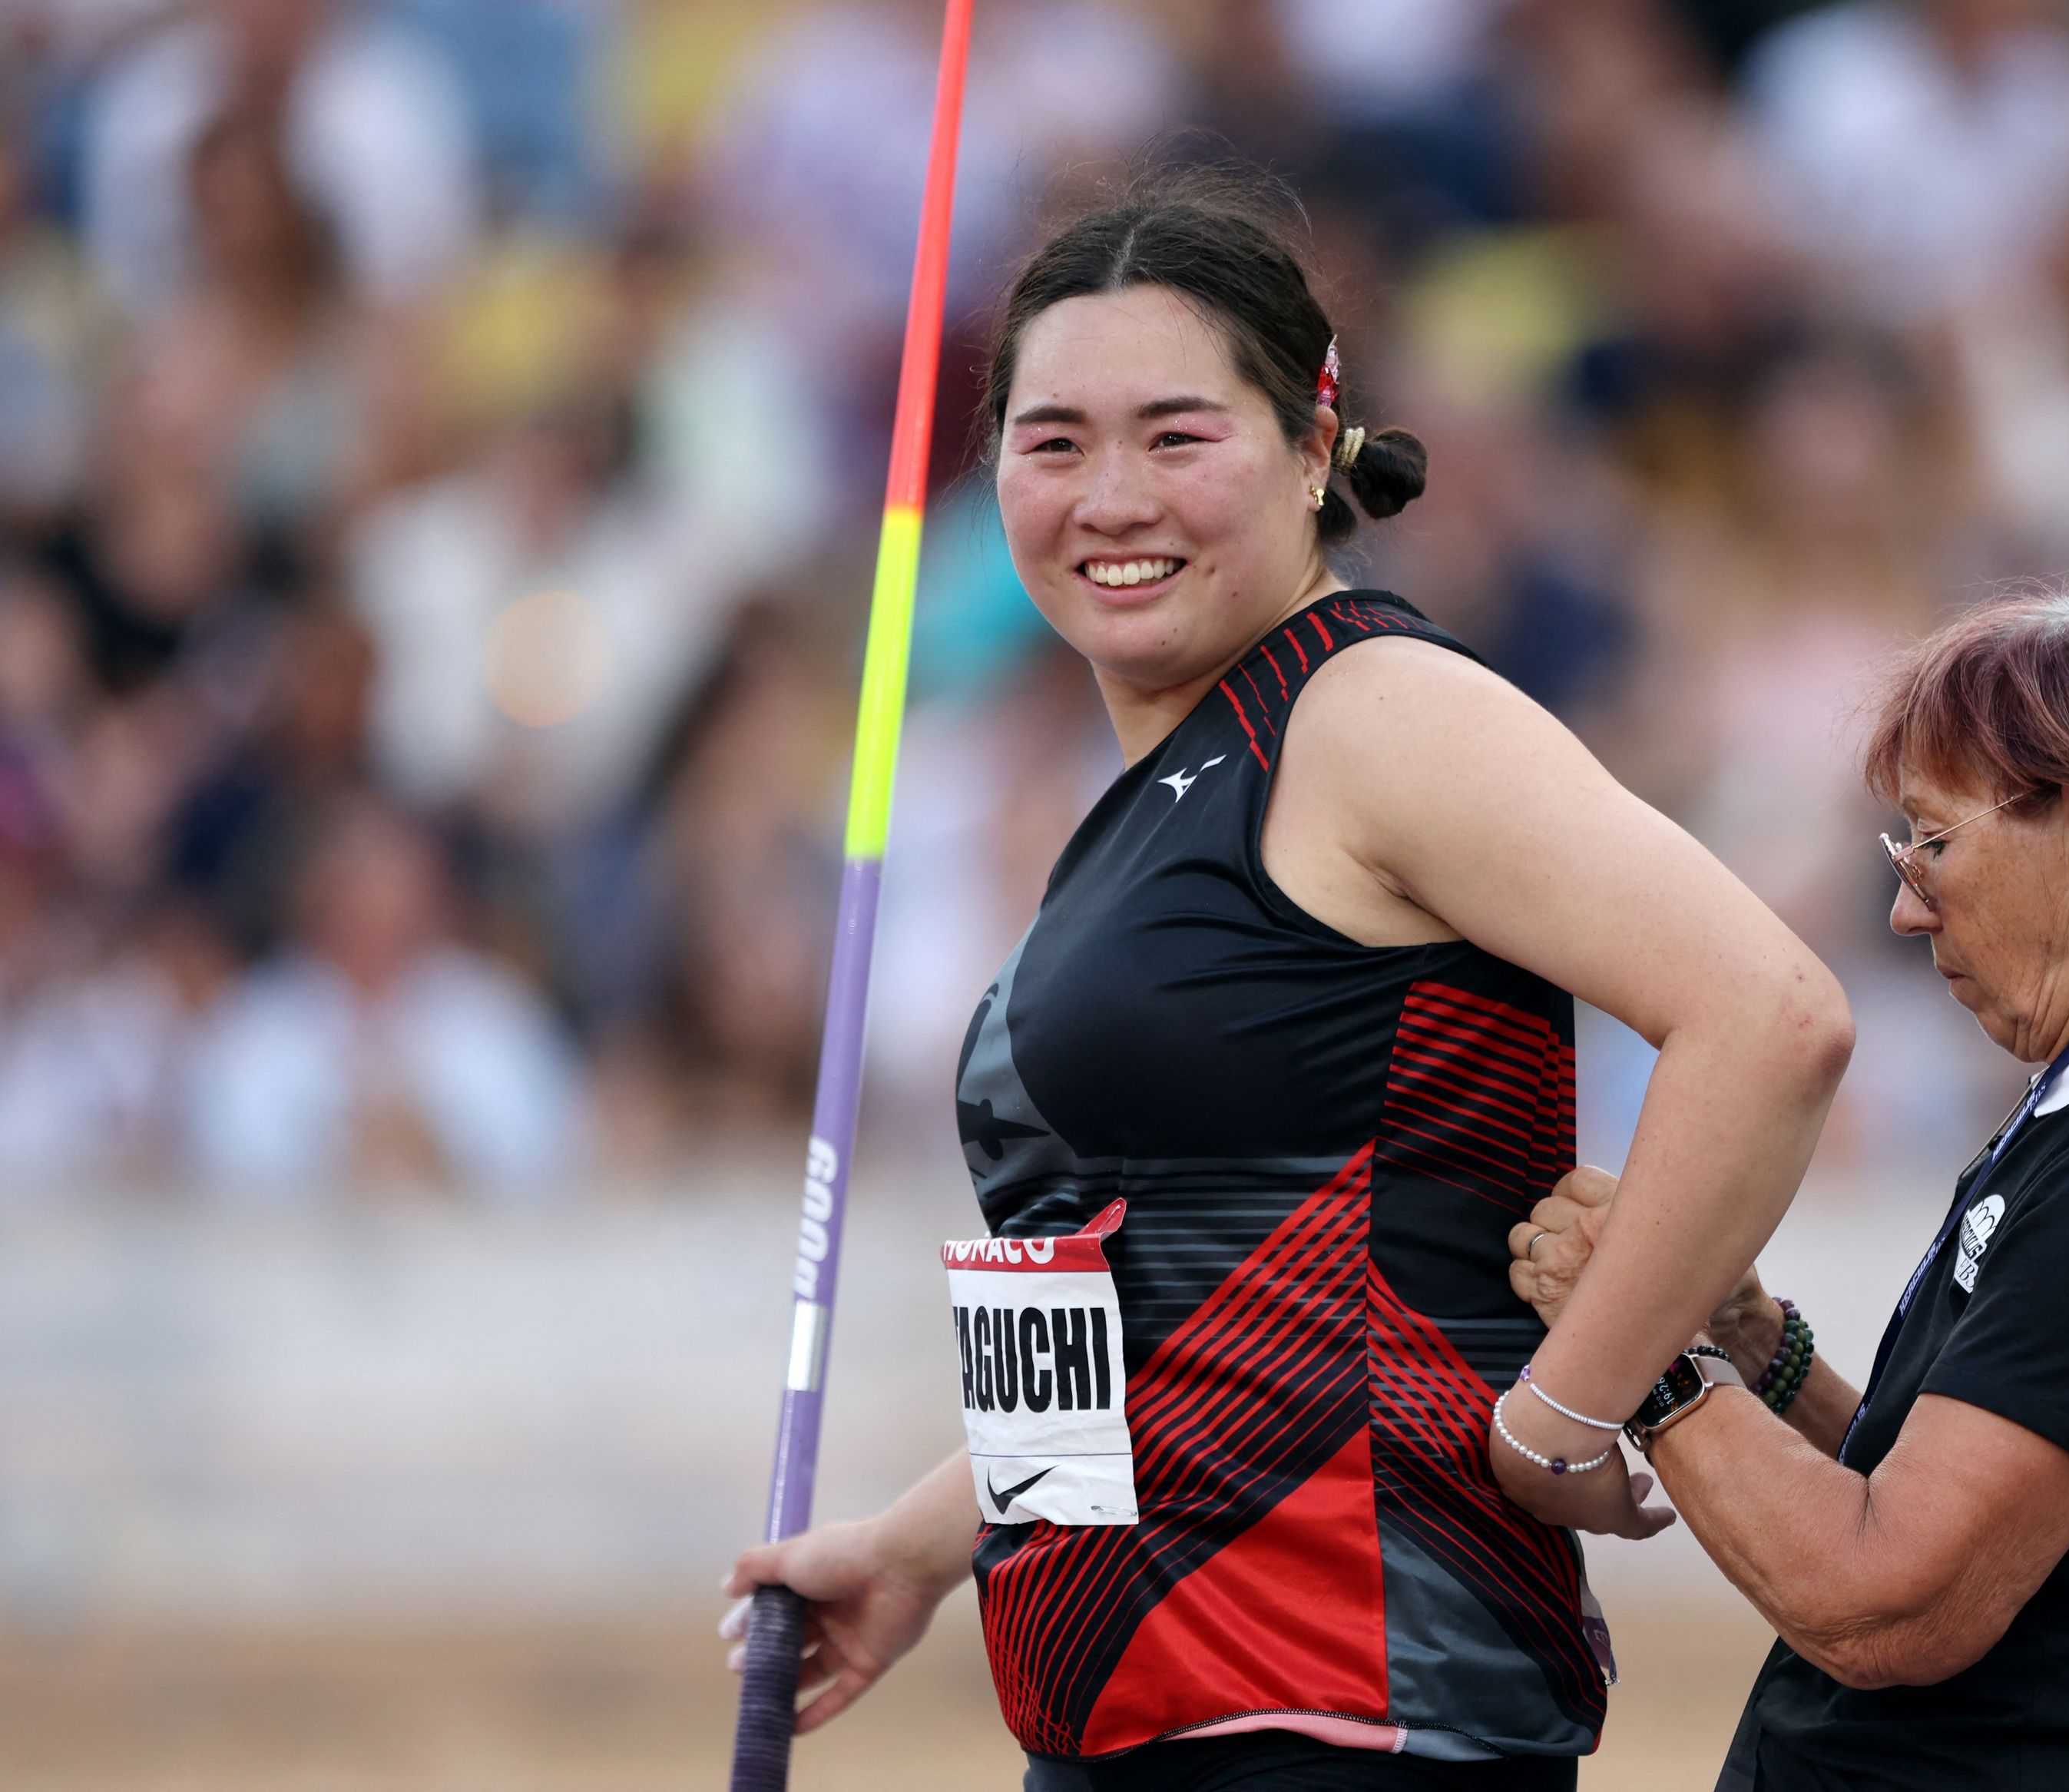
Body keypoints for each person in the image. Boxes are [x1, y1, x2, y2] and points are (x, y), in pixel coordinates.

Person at [722, 175, 1854, 1788]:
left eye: (1176, 436)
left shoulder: (1371, 715)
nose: (1111, 497)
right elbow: (1146, 1286)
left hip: (1340, 1711)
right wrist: (916, 1549)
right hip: (1131, 1715)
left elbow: (1772, 1016)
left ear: (1316, 448)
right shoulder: (1151, 798)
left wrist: (1560, 1416)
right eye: (1053, 444)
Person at [1511, 575, 2069, 1790]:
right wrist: (1752, 1346)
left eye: (1935, 841)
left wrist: (1638, 1339)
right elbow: (1964, 1514)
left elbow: (1888, 1602)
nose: (1905, 905)